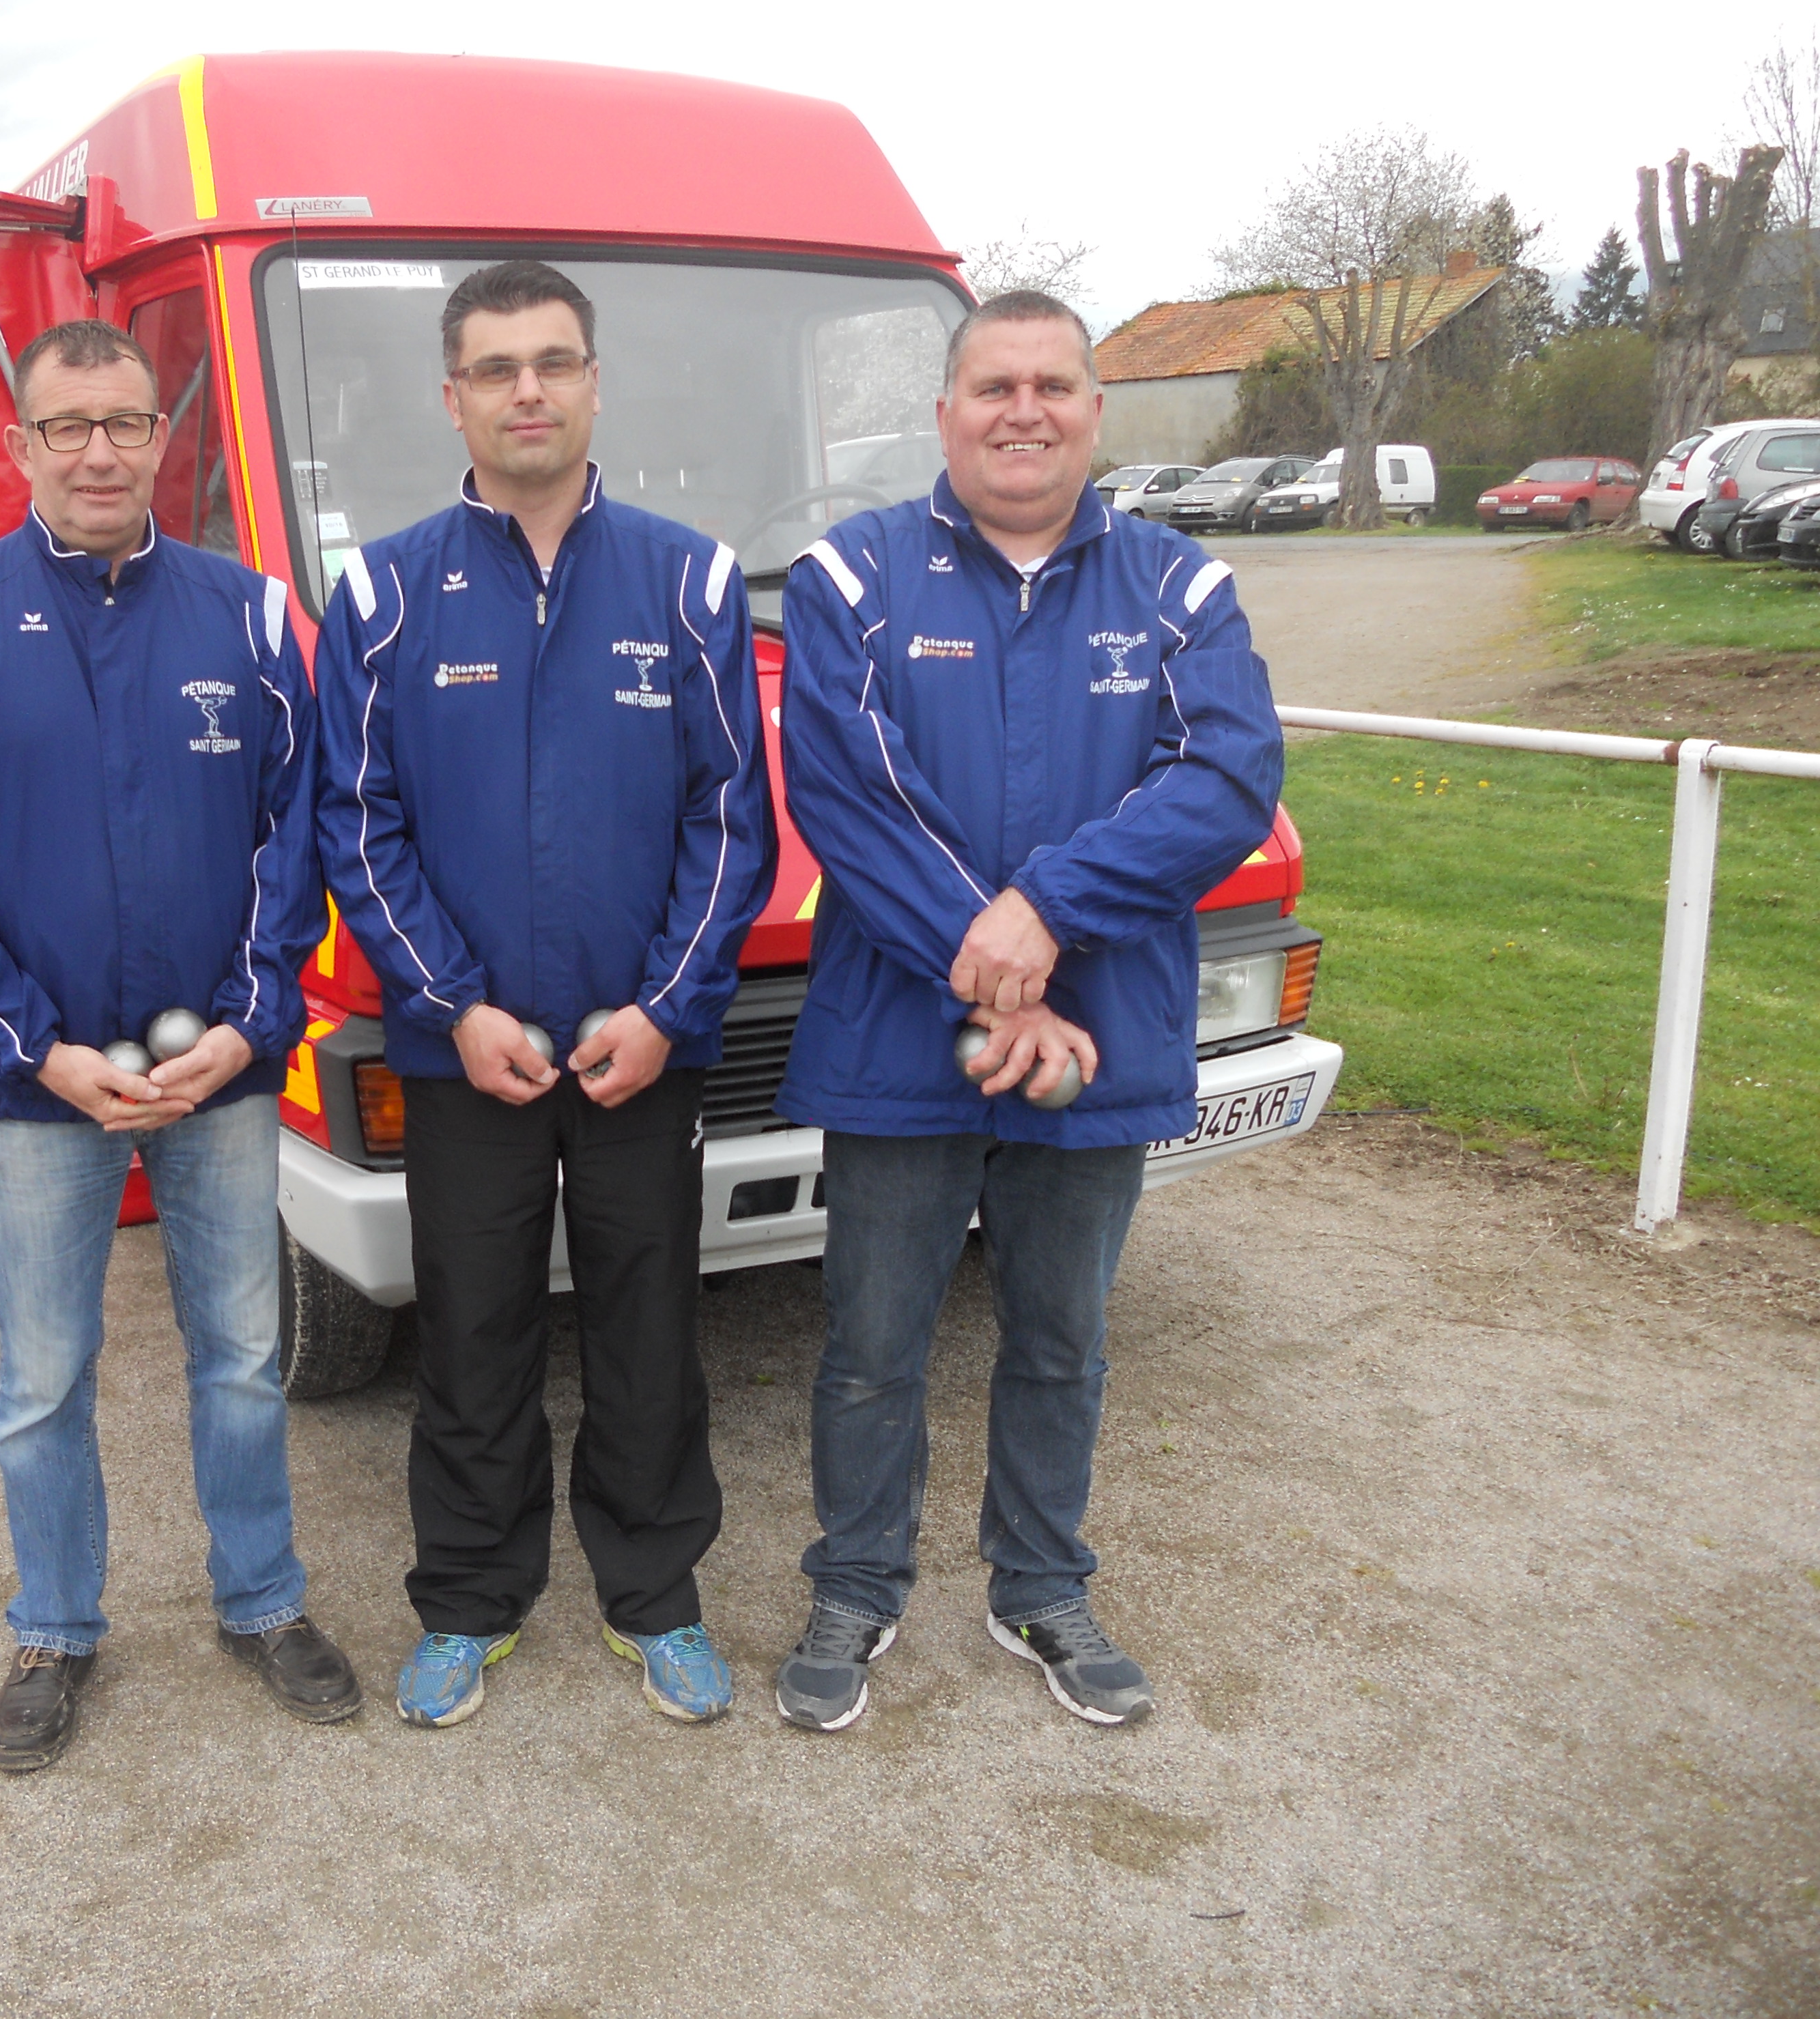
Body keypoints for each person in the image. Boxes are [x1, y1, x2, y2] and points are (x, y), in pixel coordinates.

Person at [770, 290, 1283, 1733]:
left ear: (1093, 413)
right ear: (942, 414)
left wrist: (1045, 913)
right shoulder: (848, 578)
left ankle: (1039, 1584)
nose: (1022, 410)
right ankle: (854, 1584)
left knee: (1061, 1336)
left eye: (1052, 385)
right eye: (992, 385)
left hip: (1094, 1039)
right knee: (872, 1343)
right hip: (897, 1036)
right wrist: (986, 948)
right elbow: (844, 796)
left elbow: (1224, 781)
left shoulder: (1183, 589)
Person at [0, 319, 356, 1773]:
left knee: (242, 1355)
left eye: (125, 424)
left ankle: (262, 1603)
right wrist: (32, 1047)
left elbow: (295, 837)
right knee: (42, 1378)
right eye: (66, 426)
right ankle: (56, 1628)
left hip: (219, 1074)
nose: (96, 451)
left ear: (162, 442)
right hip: (32, 1089)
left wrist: (252, 1022)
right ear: (15, 446)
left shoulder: (251, 618)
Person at [315, 260, 775, 1730]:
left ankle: (655, 1596)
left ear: (591, 383)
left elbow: (730, 819)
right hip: (471, 1056)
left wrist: (662, 1007)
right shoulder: (382, 591)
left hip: (643, 1048)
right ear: (449, 396)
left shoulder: (686, 579)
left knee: (648, 1323)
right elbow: (355, 819)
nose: (528, 389)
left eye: (553, 362)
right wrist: (451, 1007)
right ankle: (468, 1599)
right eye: (497, 366)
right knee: (472, 1329)